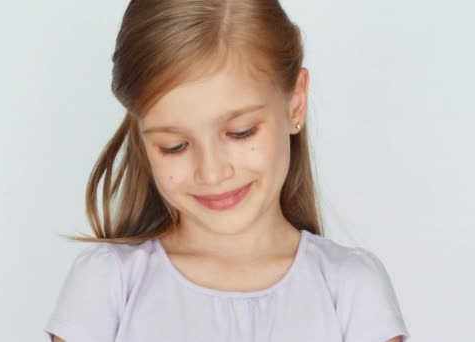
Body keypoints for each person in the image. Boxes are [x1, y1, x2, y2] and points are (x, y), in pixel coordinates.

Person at [44, 0, 410, 341]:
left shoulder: (349, 287)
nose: (212, 173)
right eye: (175, 146)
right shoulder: (109, 283)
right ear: (143, 139)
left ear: (295, 104)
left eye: (240, 132)